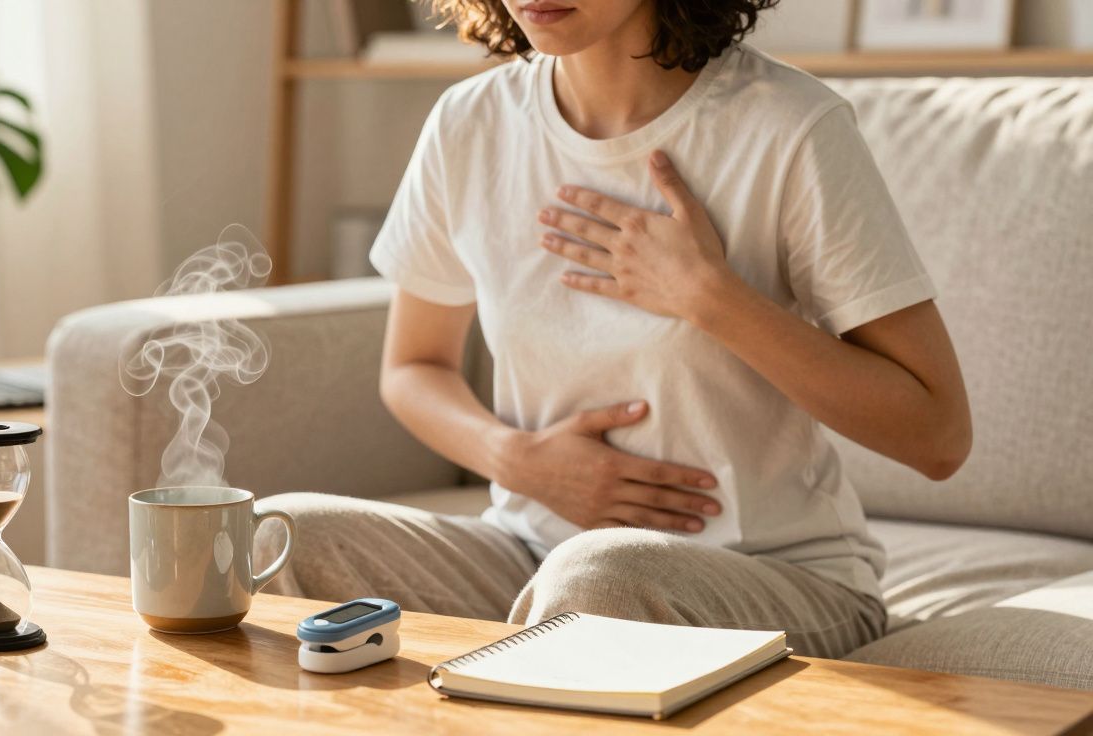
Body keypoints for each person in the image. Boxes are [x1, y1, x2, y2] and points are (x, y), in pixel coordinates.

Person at [254, 0, 972, 658]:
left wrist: (712, 298)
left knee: (595, 582)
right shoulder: (468, 124)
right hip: (528, 553)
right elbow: (413, 367)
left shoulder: (789, 127)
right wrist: (515, 459)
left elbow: (937, 436)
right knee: (285, 537)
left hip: (775, 577)